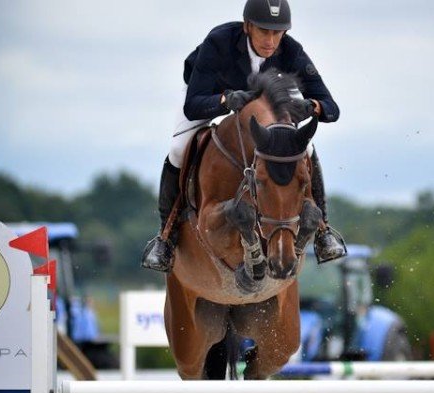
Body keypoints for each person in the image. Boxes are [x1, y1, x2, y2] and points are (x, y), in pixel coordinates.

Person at [141, 0, 347, 272]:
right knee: (179, 148)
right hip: (210, 93)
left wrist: (313, 106)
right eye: (264, 31)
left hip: (262, 104)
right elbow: (193, 104)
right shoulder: (219, 42)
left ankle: (323, 231)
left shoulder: (291, 50)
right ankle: (165, 237)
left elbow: (331, 108)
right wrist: (226, 100)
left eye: (278, 32)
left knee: (304, 149)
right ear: (248, 26)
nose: (271, 40)